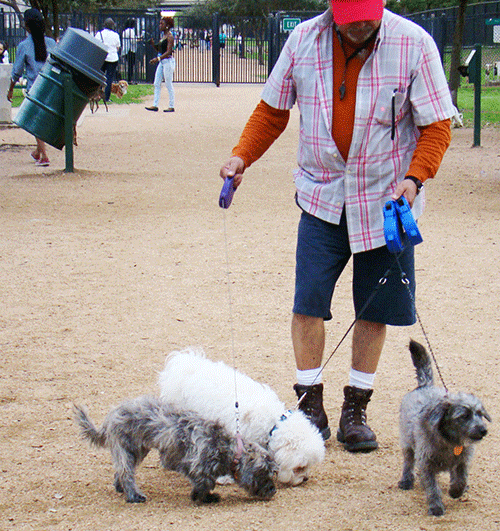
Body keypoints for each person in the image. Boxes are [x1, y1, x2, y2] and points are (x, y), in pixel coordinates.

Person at [219, 0, 455, 452]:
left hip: (387, 200)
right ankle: (310, 405)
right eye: (351, 16)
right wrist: (241, 155)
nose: (361, 23)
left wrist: (414, 177)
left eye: (368, 12)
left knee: (376, 309)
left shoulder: (414, 44)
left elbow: (437, 126)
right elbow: (272, 112)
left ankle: (356, 409)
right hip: (322, 194)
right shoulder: (303, 41)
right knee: (308, 302)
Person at [7, 8, 56, 166]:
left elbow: (17, 71)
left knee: (35, 121)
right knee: (41, 120)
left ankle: (44, 156)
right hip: (51, 87)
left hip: (34, 88)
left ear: (27, 26)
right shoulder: (51, 43)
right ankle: (37, 151)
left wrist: (10, 89)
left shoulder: (24, 46)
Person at [145, 16, 175, 113]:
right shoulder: (163, 36)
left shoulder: (170, 36)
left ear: (167, 26)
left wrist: (157, 59)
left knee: (168, 83)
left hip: (168, 62)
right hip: (162, 62)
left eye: (162, 24)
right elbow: (160, 50)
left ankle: (171, 105)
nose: (160, 25)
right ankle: (155, 105)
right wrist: (153, 44)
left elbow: (168, 51)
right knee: (156, 83)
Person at [95, 18, 120, 103]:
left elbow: (96, 45)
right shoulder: (115, 35)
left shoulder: (99, 34)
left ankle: (97, 95)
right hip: (112, 58)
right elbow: (117, 47)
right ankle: (106, 97)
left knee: (99, 77)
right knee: (109, 78)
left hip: (102, 57)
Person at [122, 18, 137, 84]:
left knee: (128, 65)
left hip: (126, 50)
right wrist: (137, 40)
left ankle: (128, 79)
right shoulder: (131, 31)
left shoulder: (124, 31)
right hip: (130, 50)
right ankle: (129, 79)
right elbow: (133, 41)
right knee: (131, 65)